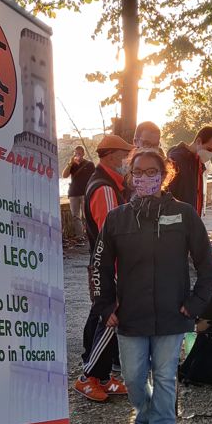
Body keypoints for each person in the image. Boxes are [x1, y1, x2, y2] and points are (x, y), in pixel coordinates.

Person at [93, 148, 212, 424]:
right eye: (138, 172)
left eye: (152, 172)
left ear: (164, 175)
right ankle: (144, 416)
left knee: (164, 377)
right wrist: (105, 306)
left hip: (173, 314)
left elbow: (206, 264)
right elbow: (99, 267)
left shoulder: (185, 214)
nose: (145, 178)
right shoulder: (116, 218)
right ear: (130, 176)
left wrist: (196, 303)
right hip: (131, 316)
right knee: (133, 378)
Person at [76, 134, 135, 402]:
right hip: (110, 268)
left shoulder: (106, 183)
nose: (128, 161)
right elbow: (113, 236)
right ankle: (88, 377)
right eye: (126, 156)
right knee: (109, 319)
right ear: (112, 156)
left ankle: (100, 376)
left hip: (106, 266)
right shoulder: (105, 188)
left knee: (101, 318)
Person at [166, 125, 212, 216]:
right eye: (209, 149)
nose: (210, 154)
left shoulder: (199, 163)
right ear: (198, 141)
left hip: (192, 218)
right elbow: (167, 192)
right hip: (178, 218)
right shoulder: (176, 160)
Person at [62, 145, 95, 238]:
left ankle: (90, 235)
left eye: (79, 153)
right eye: (76, 153)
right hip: (73, 193)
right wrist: (70, 163)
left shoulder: (89, 164)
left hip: (85, 193)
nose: (78, 155)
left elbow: (94, 177)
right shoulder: (72, 165)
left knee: (87, 215)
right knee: (75, 216)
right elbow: (64, 175)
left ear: (83, 154)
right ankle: (80, 236)